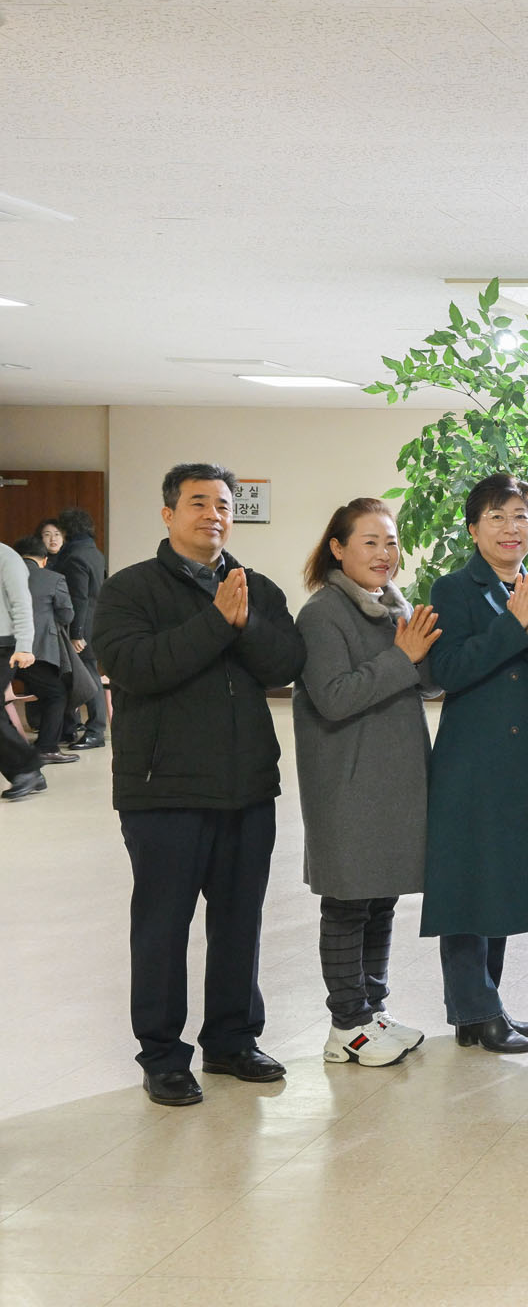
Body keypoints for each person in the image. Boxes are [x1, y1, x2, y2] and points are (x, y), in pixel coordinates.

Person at [92, 464, 307, 1107]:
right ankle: (162, 1055)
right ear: (168, 514)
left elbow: (285, 664)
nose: (213, 514)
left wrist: (244, 622)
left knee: (240, 922)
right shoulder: (130, 589)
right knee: (163, 926)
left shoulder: (255, 588)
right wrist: (217, 621)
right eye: (197, 503)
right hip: (163, 790)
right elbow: (135, 667)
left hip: (246, 787)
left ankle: (232, 1041)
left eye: (223, 504)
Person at [423, 474, 528, 1055]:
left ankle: (482, 1007)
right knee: (468, 881)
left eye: (522, 517)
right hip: (474, 756)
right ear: (472, 529)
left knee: (502, 880)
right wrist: (511, 627)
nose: (512, 528)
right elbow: (447, 670)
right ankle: (476, 1008)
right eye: (497, 517)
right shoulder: (454, 588)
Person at [292, 499, 441, 1068]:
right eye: (370, 542)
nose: (385, 554)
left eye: (391, 542)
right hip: (348, 782)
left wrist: (421, 653)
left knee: (381, 899)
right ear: (338, 548)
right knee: (348, 901)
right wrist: (403, 656)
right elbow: (334, 697)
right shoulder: (323, 613)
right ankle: (346, 1026)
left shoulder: (391, 606)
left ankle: (373, 1010)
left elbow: (424, 683)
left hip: (394, 779)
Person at [9, 536, 81, 766]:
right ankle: (47, 748)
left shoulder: (5, 576)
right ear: (44, 559)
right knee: (56, 694)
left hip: (5, 650)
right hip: (36, 651)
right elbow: (67, 614)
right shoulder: (53, 578)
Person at [53, 507, 109, 749]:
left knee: (88, 676)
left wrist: (76, 633)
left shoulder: (74, 556)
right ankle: (71, 727)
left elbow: (79, 597)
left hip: (81, 627)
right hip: (94, 622)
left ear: (67, 529)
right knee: (80, 675)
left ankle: (95, 730)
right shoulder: (94, 552)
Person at [1, 541, 48, 800]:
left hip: (4, 644)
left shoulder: (6, 557)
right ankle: (27, 770)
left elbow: (21, 603)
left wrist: (25, 647)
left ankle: (26, 768)